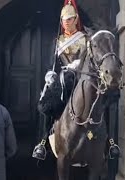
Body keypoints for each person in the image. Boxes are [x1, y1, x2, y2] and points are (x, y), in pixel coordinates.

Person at [32, 0, 88, 160]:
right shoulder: (58, 41)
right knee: (45, 103)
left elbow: (90, 59)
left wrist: (78, 64)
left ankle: (109, 143)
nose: (67, 23)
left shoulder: (85, 39)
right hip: (61, 78)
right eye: (64, 20)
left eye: (70, 19)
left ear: (76, 19)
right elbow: (50, 61)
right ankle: (42, 142)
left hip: (80, 77)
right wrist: (50, 74)